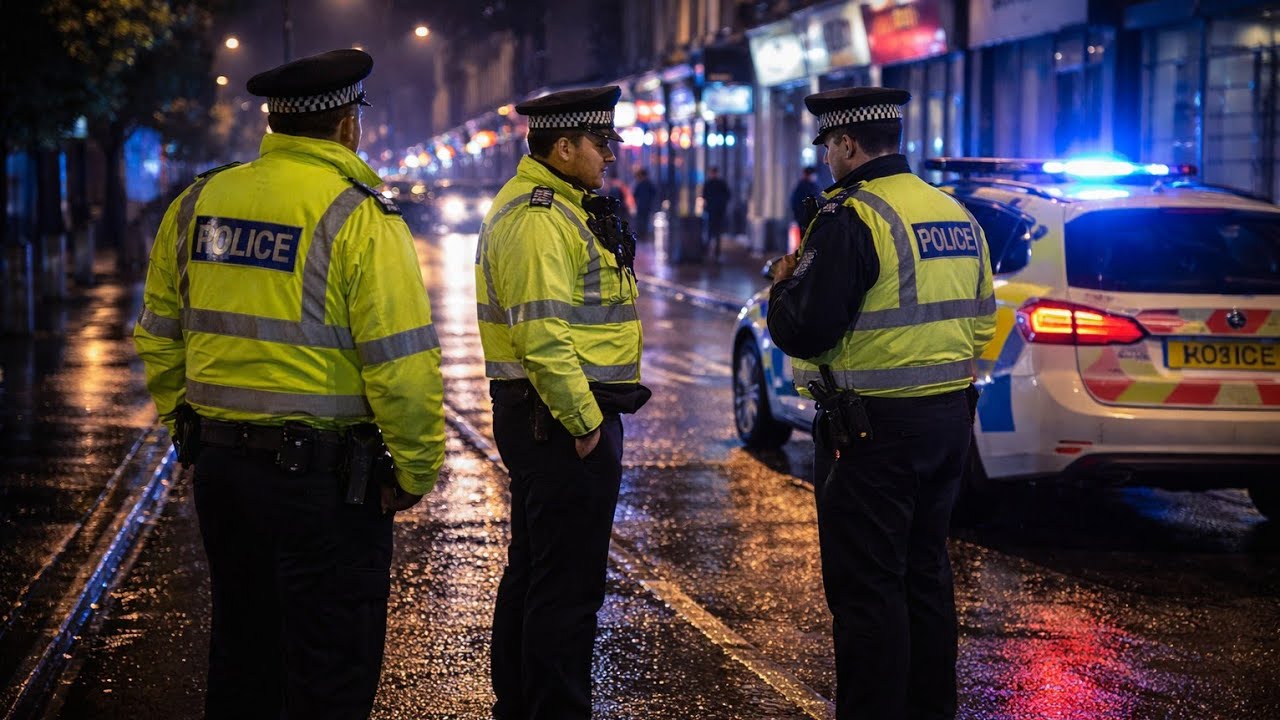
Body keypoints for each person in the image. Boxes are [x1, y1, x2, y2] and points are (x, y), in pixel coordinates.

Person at [132, 49, 446, 719]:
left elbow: (159, 334)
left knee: (243, 655)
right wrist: (415, 470)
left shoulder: (199, 203)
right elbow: (402, 368)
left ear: (272, 123)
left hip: (223, 475)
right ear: (346, 125)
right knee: (328, 669)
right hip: (324, 491)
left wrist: (186, 427)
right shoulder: (360, 218)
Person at [765, 87, 996, 720]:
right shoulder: (953, 214)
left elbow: (804, 329)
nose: (827, 162)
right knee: (926, 576)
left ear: (846, 143)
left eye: (830, 149)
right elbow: (980, 326)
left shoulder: (850, 218)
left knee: (868, 590)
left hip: (870, 432)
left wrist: (780, 290)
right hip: (948, 422)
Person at [476, 85, 651, 720]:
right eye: (599, 144)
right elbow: (542, 335)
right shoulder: (539, 218)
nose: (609, 156)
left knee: (540, 570)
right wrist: (583, 425)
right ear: (562, 146)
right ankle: (554, 707)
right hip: (558, 420)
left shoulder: (563, 208)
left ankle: (522, 701)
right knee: (567, 586)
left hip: (556, 415)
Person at [701, 166, 731, 261]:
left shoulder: (712, 184)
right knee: (714, 231)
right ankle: (713, 251)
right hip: (716, 211)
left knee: (713, 231)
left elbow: (704, 196)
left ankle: (711, 251)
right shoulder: (717, 184)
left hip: (715, 211)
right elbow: (727, 195)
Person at [790, 165, 823, 230]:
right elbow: (796, 202)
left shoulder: (815, 186)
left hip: (813, 218)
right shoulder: (802, 187)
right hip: (804, 218)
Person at [631, 167, 657, 242]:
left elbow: (635, 194)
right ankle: (643, 235)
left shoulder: (641, 184)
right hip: (647, 205)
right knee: (644, 221)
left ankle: (641, 235)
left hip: (641, 205)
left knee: (641, 221)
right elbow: (654, 193)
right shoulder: (649, 183)